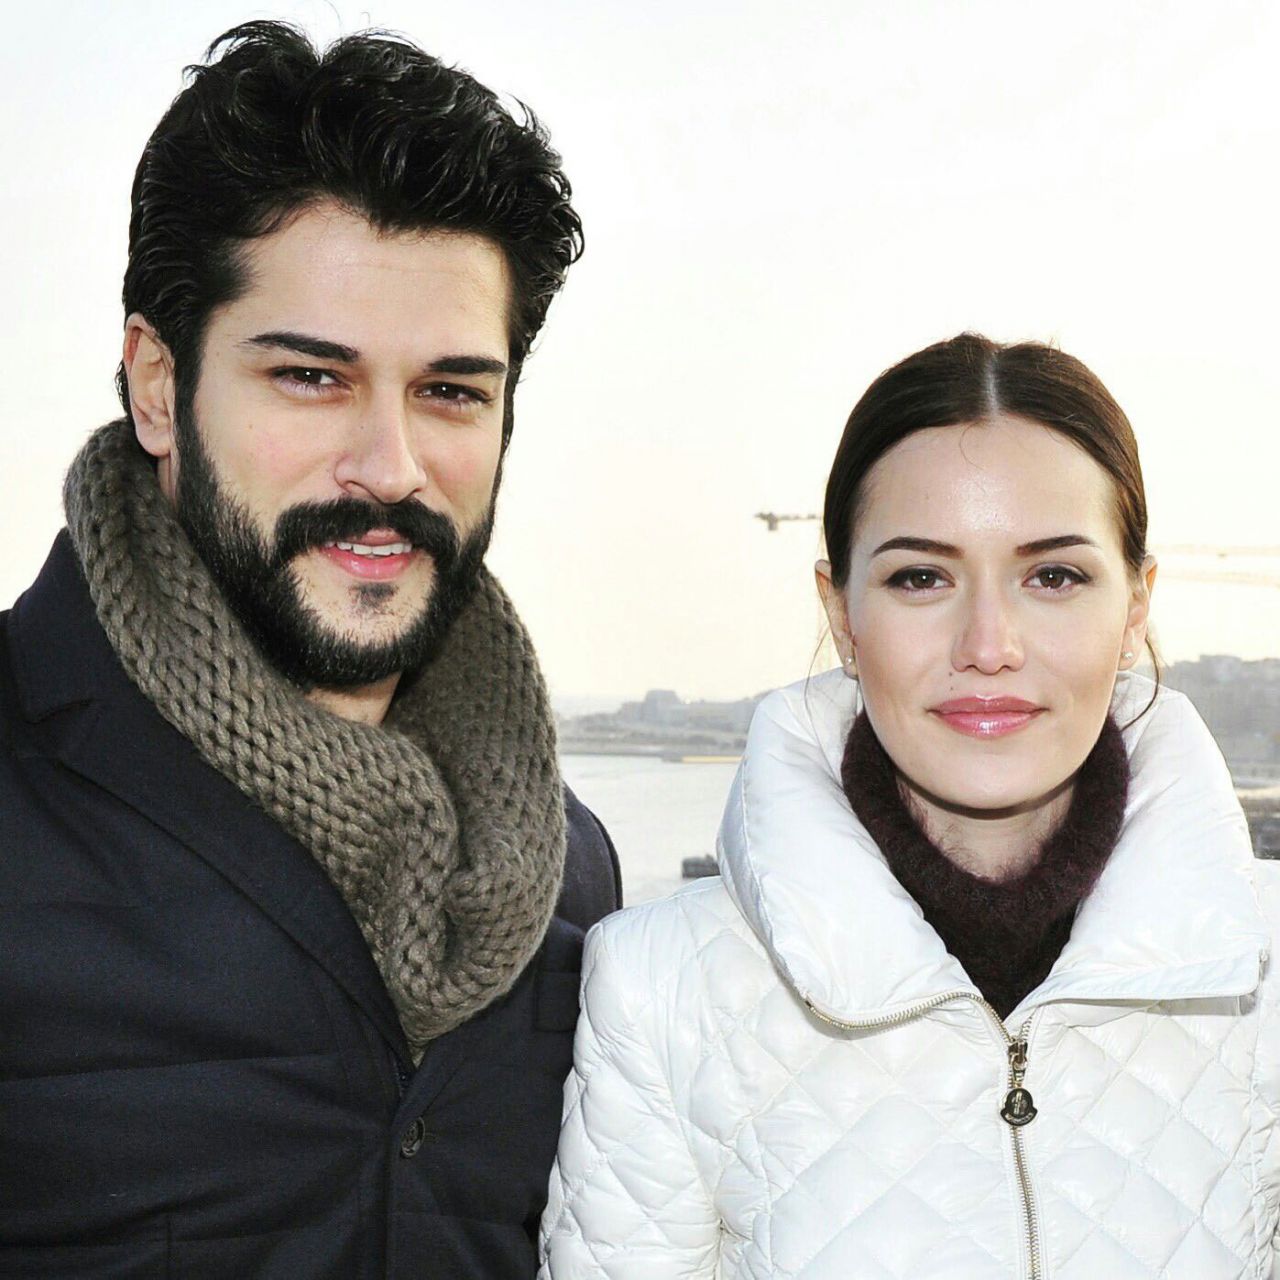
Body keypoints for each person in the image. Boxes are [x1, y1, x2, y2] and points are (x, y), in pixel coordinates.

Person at [0, 21, 621, 1279]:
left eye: (450, 390)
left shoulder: (568, 869)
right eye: (311, 377)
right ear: (158, 384)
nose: (389, 466)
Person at [541, 333, 1280, 1278]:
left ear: (1135, 608)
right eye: (920, 577)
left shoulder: (1263, 971)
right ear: (842, 615)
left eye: (1053, 576)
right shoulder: (660, 990)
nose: (989, 644)